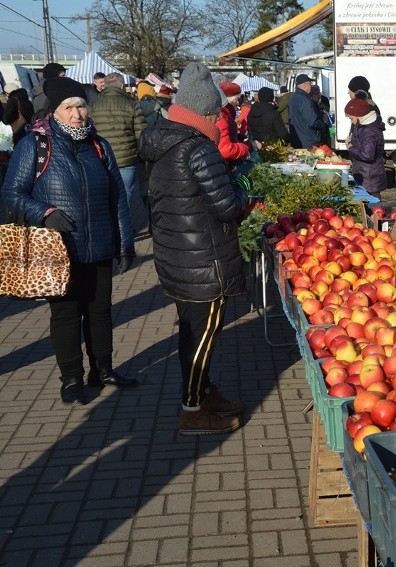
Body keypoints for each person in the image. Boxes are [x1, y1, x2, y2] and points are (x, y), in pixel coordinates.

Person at [1, 77, 137, 405]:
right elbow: (11, 193)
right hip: (59, 248)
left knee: (100, 311)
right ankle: (72, 378)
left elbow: (118, 195)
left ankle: (103, 370)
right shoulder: (34, 145)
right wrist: (45, 212)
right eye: (69, 107)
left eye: (81, 105)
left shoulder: (99, 145)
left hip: (100, 242)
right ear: (56, 112)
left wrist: (125, 242)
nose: (77, 113)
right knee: (65, 315)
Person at [138, 62, 248, 436]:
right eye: (215, 114)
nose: (218, 121)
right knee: (202, 336)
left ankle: (203, 393)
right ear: (204, 113)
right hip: (203, 260)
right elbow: (227, 207)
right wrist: (244, 194)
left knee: (190, 332)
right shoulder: (199, 150)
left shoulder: (160, 141)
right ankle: (192, 409)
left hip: (175, 254)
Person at [89, 72, 148, 235]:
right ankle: (124, 229)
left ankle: (108, 229)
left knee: (104, 194)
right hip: (127, 159)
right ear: (122, 86)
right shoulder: (132, 104)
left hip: (101, 158)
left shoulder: (93, 105)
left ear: (104, 85)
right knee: (126, 194)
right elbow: (141, 133)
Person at [344, 96, 386, 197]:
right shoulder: (363, 126)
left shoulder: (369, 130)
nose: (351, 121)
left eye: (351, 118)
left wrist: (350, 147)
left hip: (370, 178)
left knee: (373, 208)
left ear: (359, 115)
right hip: (366, 175)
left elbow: (367, 155)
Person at [216, 82, 253, 167]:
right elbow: (225, 149)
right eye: (236, 99)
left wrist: (238, 137)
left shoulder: (228, 114)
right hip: (225, 164)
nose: (238, 103)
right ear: (226, 99)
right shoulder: (221, 117)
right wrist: (245, 147)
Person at [288, 74, 325, 149]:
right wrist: (322, 125)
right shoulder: (304, 99)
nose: (311, 86)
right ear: (305, 85)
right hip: (308, 139)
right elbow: (312, 121)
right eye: (310, 84)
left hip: (298, 137)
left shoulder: (294, 97)